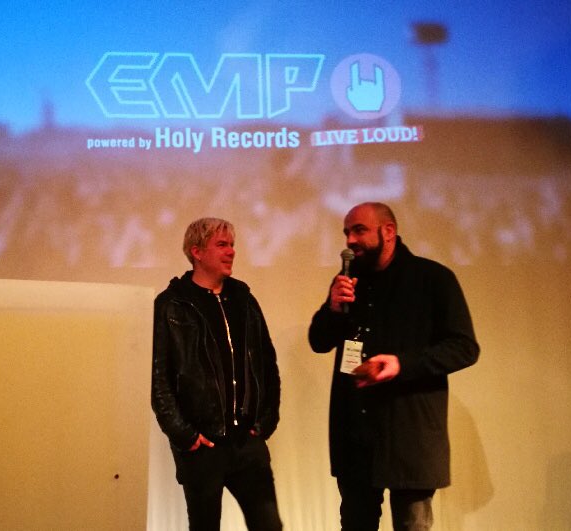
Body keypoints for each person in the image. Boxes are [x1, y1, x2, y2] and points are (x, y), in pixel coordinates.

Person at [308, 202, 479, 531]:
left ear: (388, 231)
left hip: (409, 435)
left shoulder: (433, 279)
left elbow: (464, 348)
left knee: (412, 525)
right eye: (347, 232)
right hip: (356, 436)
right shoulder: (348, 281)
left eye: (359, 230)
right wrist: (332, 308)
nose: (350, 240)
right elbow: (319, 341)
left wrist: (401, 364)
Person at [152, 217, 282, 531]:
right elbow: (159, 379)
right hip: (202, 447)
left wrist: (266, 420)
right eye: (222, 245)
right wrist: (185, 436)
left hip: (247, 443)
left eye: (232, 245)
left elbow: (267, 364)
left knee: (269, 526)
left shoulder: (244, 300)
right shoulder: (171, 305)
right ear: (197, 252)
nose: (231, 251)